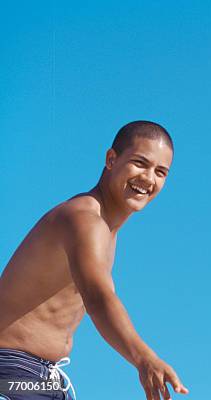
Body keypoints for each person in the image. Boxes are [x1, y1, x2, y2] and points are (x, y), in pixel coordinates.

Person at [0, 121, 189, 400]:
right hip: (13, 371)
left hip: (38, 376)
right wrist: (143, 357)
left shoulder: (105, 228)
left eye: (160, 172)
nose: (149, 178)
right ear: (111, 159)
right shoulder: (84, 219)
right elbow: (98, 297)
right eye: (140, 163)